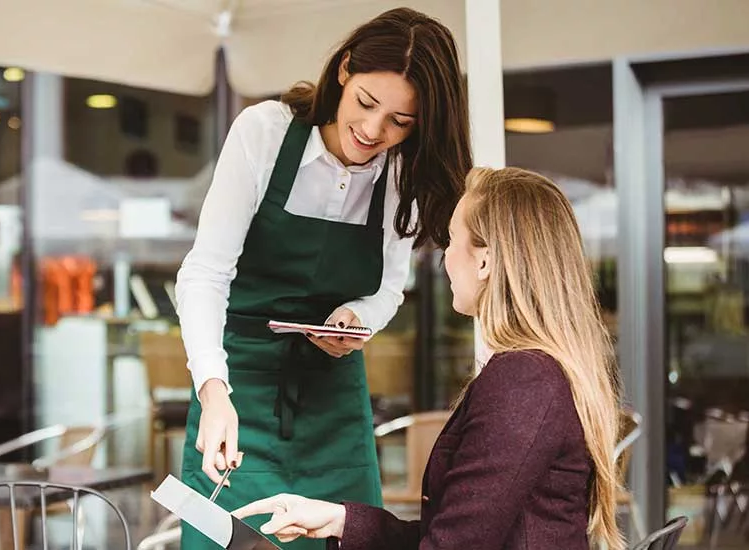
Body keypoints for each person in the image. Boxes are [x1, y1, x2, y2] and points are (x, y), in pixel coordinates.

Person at [174, 7, 471, 549]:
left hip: (334, 402)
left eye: (401, 122)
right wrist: (213, 391)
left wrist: (357, 320)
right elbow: (204, 273)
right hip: (235, 392)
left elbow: (387, 289)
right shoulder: (264, 133)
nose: (374, 130)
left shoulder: (403, 172)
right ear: (344, 71)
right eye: (366, 102)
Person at [235, 167, 625, 550]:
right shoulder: (537, 373)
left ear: (485, 261)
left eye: (452, 241)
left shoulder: (524, 379)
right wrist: (339, 520)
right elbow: (452, 533)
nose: (445, 258)